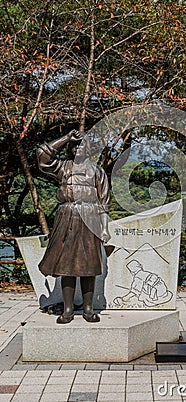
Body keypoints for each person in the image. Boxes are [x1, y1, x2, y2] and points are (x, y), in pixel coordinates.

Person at [37, 129, 110, 324]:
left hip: (90, 218)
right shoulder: (62, 167)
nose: (78, 148)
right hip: (67, 217)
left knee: (89, 265)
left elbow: (104, 203)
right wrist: (66, 138)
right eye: (74, 145)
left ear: (89, 149)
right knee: (66, 265)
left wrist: (104, 228)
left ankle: (88, 309)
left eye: (82, 145)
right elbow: (42, 156)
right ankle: (68, 309)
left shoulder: (97, 171)